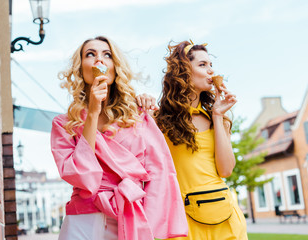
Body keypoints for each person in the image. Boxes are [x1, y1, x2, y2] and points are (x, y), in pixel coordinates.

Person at [50, 36, 188, 240]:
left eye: (107, 55)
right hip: (82, 221)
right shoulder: (63, 124)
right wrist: (93, 113)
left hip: (130, 217)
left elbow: (161, 172)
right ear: (81, 69)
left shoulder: (138, 117)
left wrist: (159, 226)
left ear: (115, 67)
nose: (100, 60)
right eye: (90, 54)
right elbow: (82, 177)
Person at [137, 40, 247, 240]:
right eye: (203, 65)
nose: (211, 71)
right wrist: (139, 104)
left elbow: (226, 170)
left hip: (225, 218)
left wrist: (217, 115)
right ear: (183, 71)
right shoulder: (157, 120)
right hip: (182, 221)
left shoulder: (218, 120)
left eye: (211, 65)